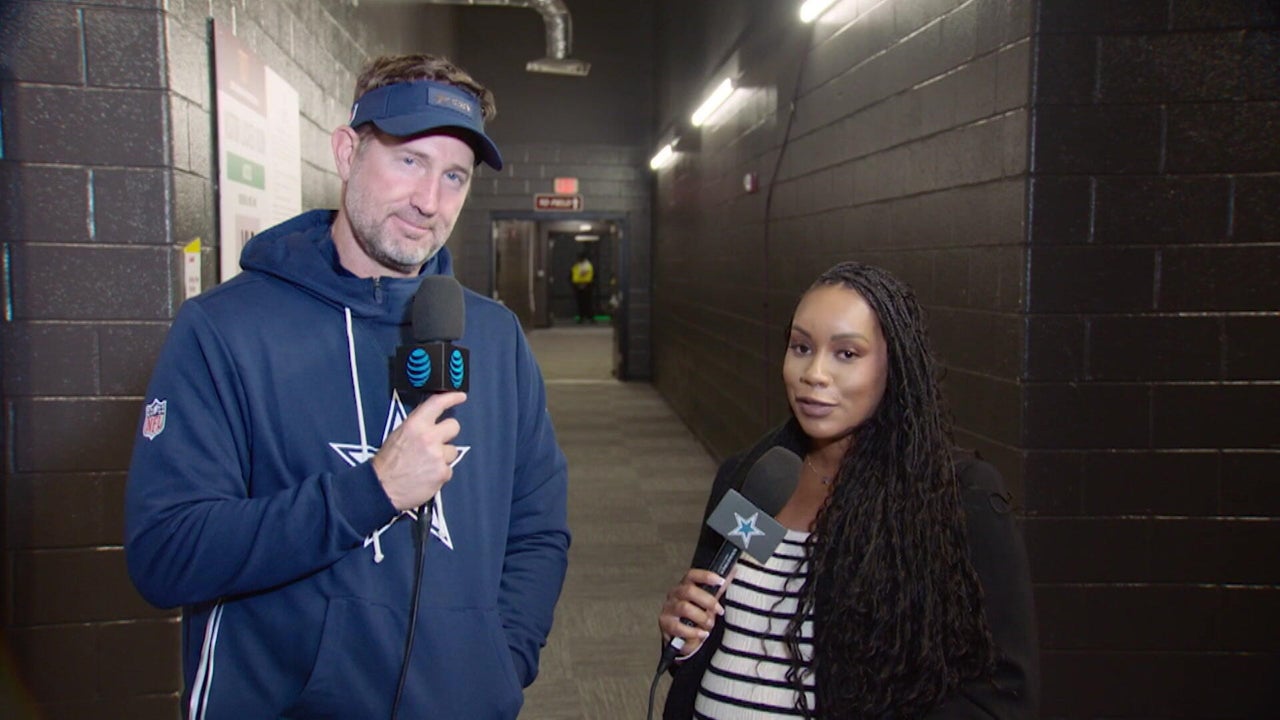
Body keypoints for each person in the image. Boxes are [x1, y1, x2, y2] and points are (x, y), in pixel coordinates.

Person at [124, 54, 570, 719]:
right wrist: (370, 492)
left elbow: (538, 526)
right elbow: (167, 553)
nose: (429, 201)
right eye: (409, 161)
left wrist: (501, 662)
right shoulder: (224, 329)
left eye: (454, 176)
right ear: (346, 152)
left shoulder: (495, 335)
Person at [658, 261, 1038, 719]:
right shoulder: (755, 476)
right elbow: (726, 631)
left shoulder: (955, 497)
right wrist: (685, 637)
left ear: (894, 366)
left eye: (847, 353)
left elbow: (1000, 694)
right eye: (801, 347)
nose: (814, 373)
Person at [570, 250, 595, 322]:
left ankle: (588, 317)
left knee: (586, 302)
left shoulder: (587, 265)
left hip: (585, 285)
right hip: (579, 285)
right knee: (581, 302)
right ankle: (583, 317)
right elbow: (573, 273)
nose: (578, 259)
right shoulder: (578, 265)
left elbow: (582, 274)